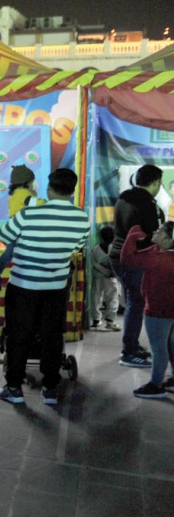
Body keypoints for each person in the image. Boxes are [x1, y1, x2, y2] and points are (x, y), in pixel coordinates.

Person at [0, 168, 90, 406]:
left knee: (19, 336)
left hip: (23, 285)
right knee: (52, 335)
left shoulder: (29, 214)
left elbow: (5, 235)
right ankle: (50, 388)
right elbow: (76, 247)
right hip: (56, 287)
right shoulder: (82, 218)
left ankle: (14, 387)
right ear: (73, 190)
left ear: (48, 188)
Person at [109, 164, 165, 368]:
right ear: (156, 182)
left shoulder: (125, 197)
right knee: (136, 302)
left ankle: (132, 346)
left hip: (118, 255)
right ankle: (129, 351)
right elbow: (151, 235)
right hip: (133, 258)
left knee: (135, 301)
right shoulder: (147, 203)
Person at [122, 222, 174, 399]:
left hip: (158, 310)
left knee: (159, 349)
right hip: (170, 309)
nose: (154, 230)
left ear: (168, 239)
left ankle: (156, 385)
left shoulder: (159, 258)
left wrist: (132, 236)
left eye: (159, 231)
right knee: (171, 345)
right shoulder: (161, 254)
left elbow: (127, 258)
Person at [0, 166, 46, 290]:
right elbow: (35, 203)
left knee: (10, 250)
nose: (32, 184)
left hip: (17, 225)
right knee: (10, 251)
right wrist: (46, 203)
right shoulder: (22, 193)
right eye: (31, 181)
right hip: (19, 226)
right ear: (27, 182)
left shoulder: (18, 193)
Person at [89, 224, 120, 331]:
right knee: (112, 299)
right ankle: (110, 321)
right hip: (111, 278)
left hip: (98, 277)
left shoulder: (95, 249)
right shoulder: (115, 249)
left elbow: (93, 264)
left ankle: (96, 320)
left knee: (96, 298)